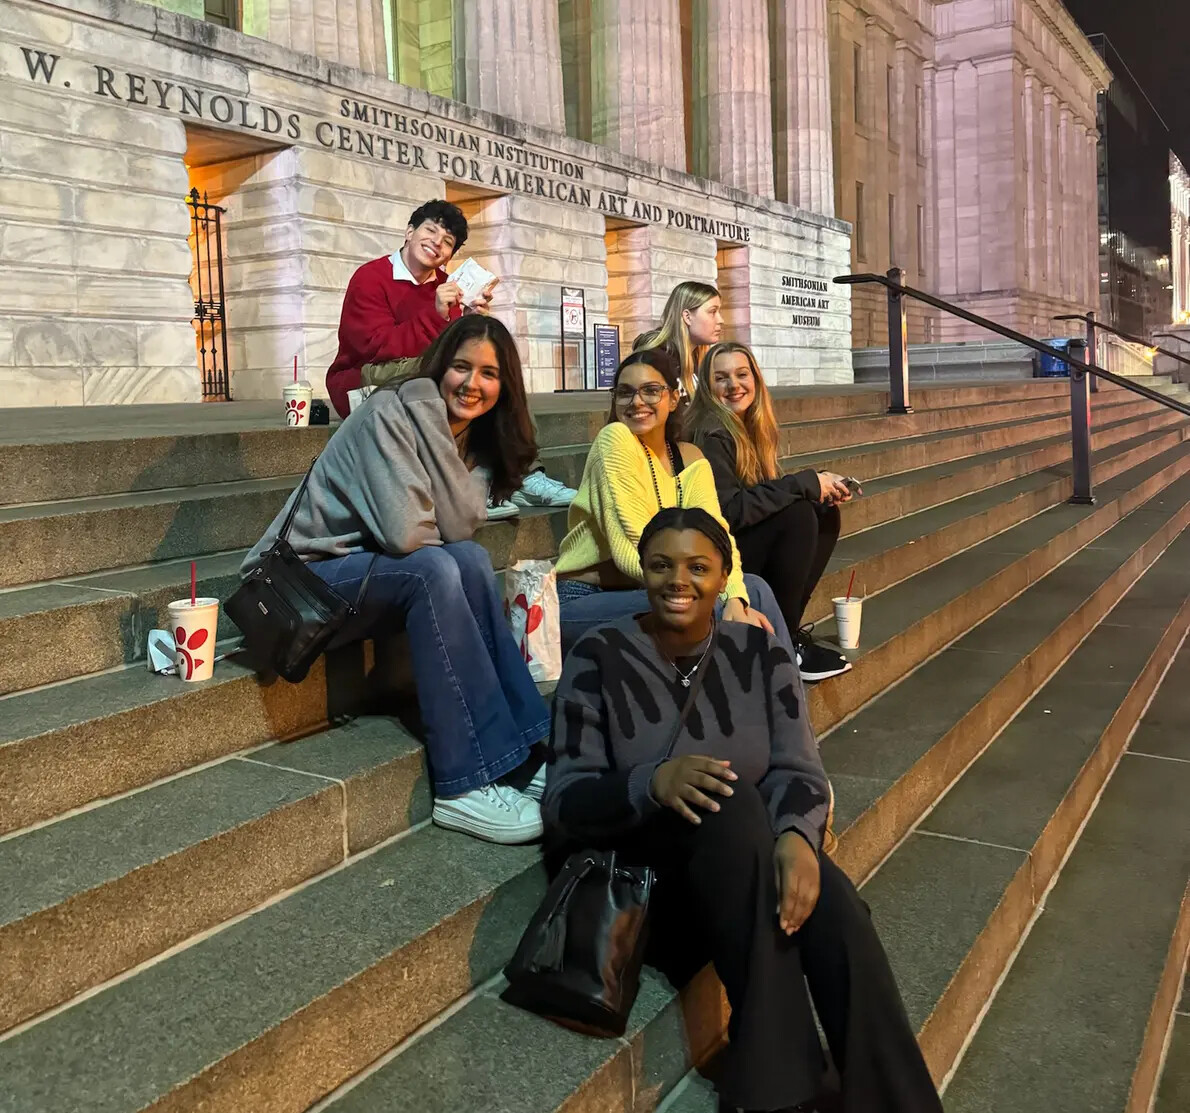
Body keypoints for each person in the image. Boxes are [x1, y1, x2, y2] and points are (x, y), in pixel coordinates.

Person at [544, 508, 944, 1113]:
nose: (678, 581)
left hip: (747, 878)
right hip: (649, 891)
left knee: (836, 905)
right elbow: (565, 801)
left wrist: (799, 840)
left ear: (724, 576)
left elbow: (798, 767)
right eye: (660, 565)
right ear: (642, 573)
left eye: (698, 567)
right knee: (730, 804)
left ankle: (893, 1100)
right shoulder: (599, 655)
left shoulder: (760, 653)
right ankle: (778, 1094)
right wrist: (651, 783)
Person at [242, 316, 548, 844]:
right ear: (440, 367)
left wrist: (467, 455)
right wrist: (446, 461)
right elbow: (410, 535)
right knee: (435, 568)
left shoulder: (468, 435)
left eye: (490, 374)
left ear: (507, 385)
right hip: (299, 583)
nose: (472, 384)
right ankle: (462, 784)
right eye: (461, 367)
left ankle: (521, 751)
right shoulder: (393, 411)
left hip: (363, 575)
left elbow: (459, 528)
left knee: (470, 560)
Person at [323, 198, 575, 513]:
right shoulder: (372, 277)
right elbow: (374, 347)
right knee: (449, 375)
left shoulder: (450, 287)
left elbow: (456, 349)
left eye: (447, 242)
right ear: (409, 231)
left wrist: (470, 319)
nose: (436, 244)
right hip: (360, 380)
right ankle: (469, 484)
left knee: (492, 373)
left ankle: (521, 477)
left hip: (420, 373)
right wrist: (436, 315)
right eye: (430, 231)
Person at [553, 347, 793, 658]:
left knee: (754, 589)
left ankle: (784, 700)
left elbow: (717, 537)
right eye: (625, 393)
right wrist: (710, 591)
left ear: (674, 397)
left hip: (655, 588)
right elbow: (631, 550)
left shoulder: (689, 457)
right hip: (585, 599)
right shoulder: (614, 441)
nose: (636, 401)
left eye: (651, 390)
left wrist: (735, 596)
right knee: (705, 609)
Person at [688, 342, 853, 683]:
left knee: (820, 512)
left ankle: (787, 631)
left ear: (756, 380)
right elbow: (728, 512)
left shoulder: (750, 427)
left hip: (734, 546)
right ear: (707, 387)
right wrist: (804, 483)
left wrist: (815, 489)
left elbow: (762, 496)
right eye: (721, 378)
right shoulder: (711, 432)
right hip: (711, 554)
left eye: (741, 374)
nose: (734, 385)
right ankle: (784, 642)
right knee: (797, 516)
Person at [633, 280, 724, 398]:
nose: (721, 320)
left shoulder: (697, 359)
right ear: (687, 317)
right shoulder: (653, 361)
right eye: (712, 312)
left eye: (719, 312)